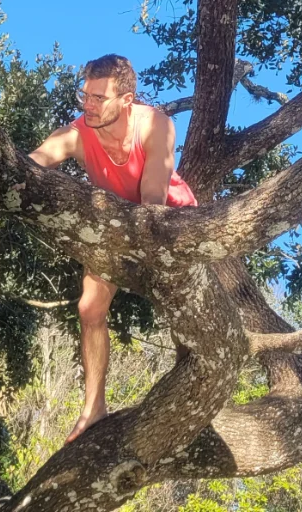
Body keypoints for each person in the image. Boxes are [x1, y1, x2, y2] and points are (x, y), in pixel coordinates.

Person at [29, 54, 197, 443]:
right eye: (83, 94)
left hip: (172, 221)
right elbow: (35, 160)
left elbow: (153, 200)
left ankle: (194, 384)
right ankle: (94, 408)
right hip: (118, 226)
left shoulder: (155, 124)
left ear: (126, 100)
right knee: (89, 307)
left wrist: (142, 249)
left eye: (98, 97)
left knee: (186, 308)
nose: (87, 104)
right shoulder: (76, 134)